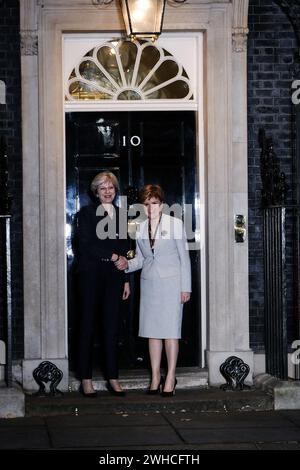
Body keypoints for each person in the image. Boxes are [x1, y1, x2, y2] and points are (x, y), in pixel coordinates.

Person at [116, 184, 191, 396]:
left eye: (155, 204)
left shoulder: (175, 224)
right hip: (149, 284)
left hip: (172, 285)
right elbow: (141, 259)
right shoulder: (139, 228)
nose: (151, 209)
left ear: (162, 204)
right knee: (152, 333)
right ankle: (155, 376)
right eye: (147, 204)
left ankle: (170, 377)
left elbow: (184, 259)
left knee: (171, 332)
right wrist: (125, 265)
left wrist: (186, 287)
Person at [76, 171, 130, 397]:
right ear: (96, 192)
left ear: (115, 191)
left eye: (111, 188)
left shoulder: (121, 214)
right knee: (87, 326)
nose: (108, 192)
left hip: (114, 278)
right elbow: (86, 245)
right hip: (90, 276)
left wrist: (126, 272)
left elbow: (127, 245)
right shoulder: (85, 214)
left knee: (111, 327)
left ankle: (112, 377)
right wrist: (115, 257)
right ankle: (86, 379)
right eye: (103, 188)